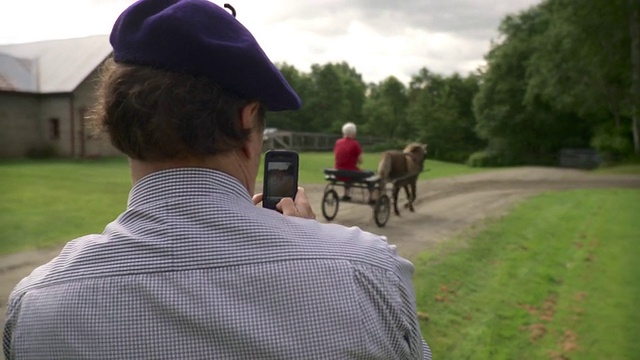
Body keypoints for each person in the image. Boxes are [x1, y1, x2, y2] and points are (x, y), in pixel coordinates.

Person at [3, 1, 432, 359]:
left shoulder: (37, 305)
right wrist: (306, 245)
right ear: (247, 122)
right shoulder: (369, 271)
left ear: (119, 126)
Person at [333, 122, 374, 201]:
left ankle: (346, 194)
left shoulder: (338, 142)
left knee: (347, 173)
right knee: (370, 174)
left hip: (338, 171)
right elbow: (360, 161)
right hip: (351, 172)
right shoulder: (355, 144)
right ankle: (371, 196)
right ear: (353, 133)